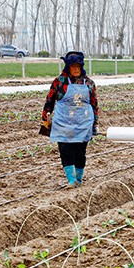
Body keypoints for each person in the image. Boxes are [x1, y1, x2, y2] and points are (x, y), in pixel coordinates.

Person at [42, 51, 98, 188]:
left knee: (80, 152)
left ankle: (79, 179)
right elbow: (50, 100)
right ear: (68, 67)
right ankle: (71, 180)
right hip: (63, 123)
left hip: (83, 123)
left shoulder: (88, 83)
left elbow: (94, 103)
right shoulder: (59, 82)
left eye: (78, 66)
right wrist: (45, 118)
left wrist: (95, 123)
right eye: (73, 66)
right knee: (65, 150)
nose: (76, 69)